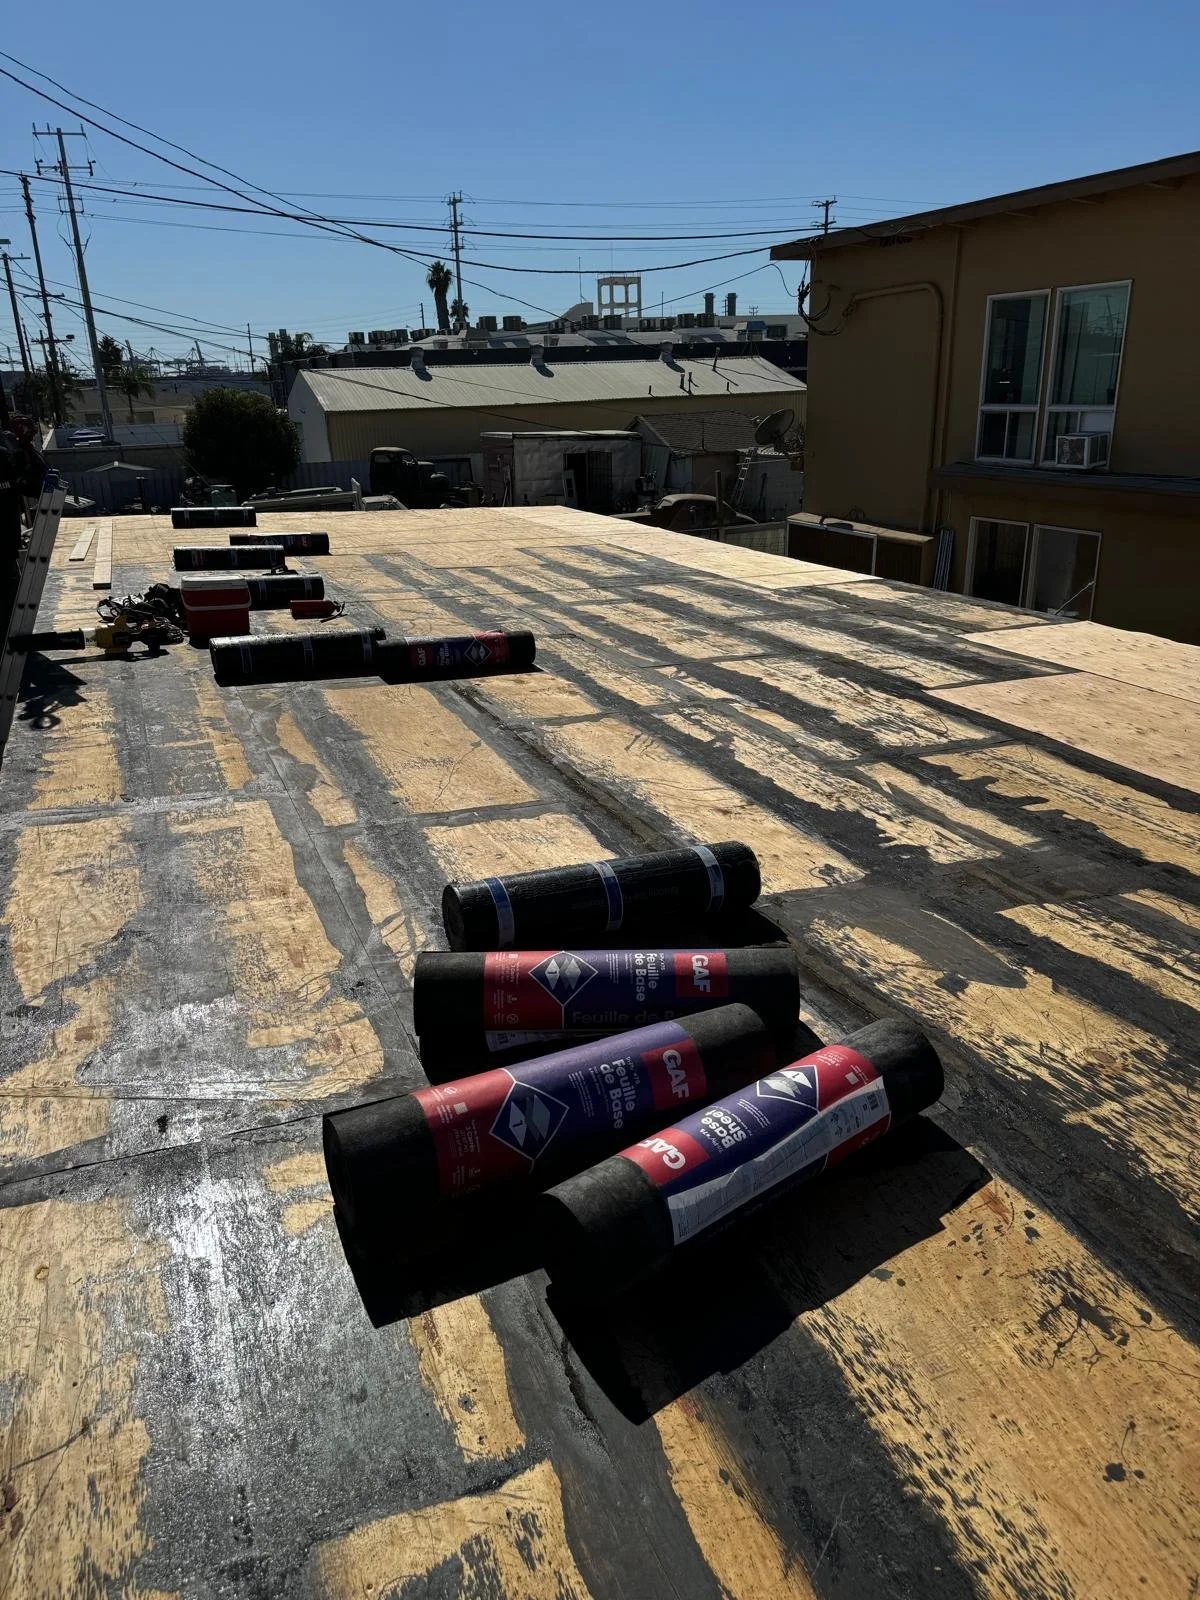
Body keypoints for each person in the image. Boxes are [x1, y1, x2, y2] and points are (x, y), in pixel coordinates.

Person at [0, 415, 48, 648]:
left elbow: (37, 484)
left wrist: (24, 445)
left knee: (12, 594)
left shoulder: (7, 452)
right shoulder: (5, 454)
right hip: (5, 547)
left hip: (8, 546)